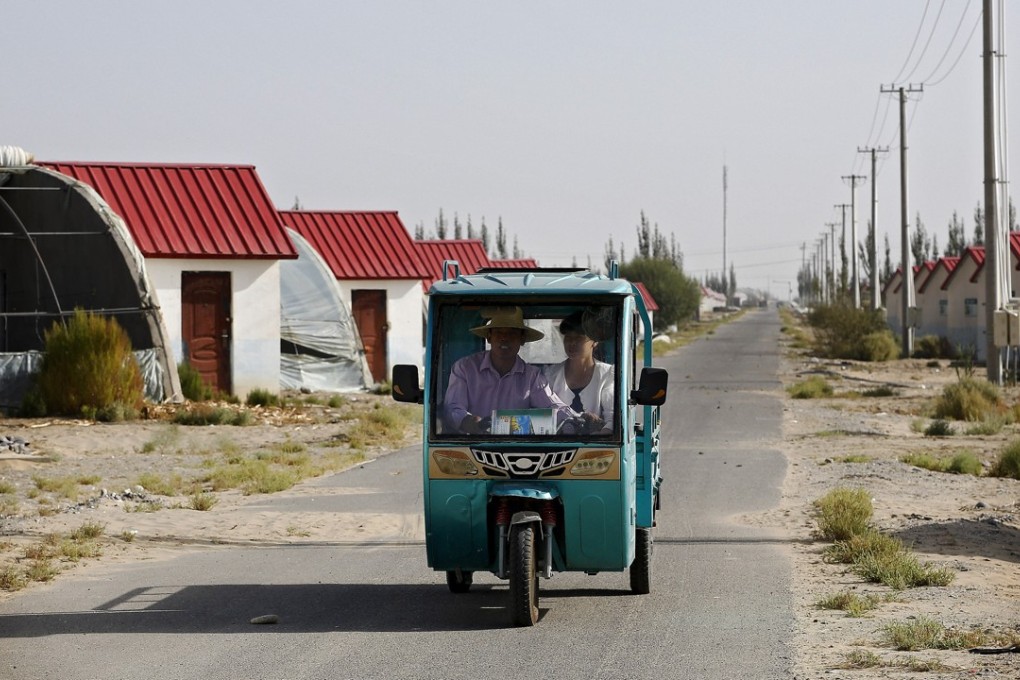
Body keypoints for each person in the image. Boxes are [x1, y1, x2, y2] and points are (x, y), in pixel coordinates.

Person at [442, 306, 573, 434]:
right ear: (489, 337)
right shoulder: (465, 368)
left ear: (522, 340)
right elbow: (452, 407)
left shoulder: (532, 376)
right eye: (499, 332)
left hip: (519, 449)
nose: (504, 338)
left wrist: (576, 419)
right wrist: (468, 421)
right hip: (472, 446)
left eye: (512, 333)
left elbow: (552, 407)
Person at [544, 311, 614, 434]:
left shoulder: (607, 374)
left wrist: (599, 436)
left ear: (595, 341)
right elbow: (543, 415)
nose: (572, 343)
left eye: (579, 338)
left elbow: (613, 419)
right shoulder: (551, 374)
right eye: (568, 338)